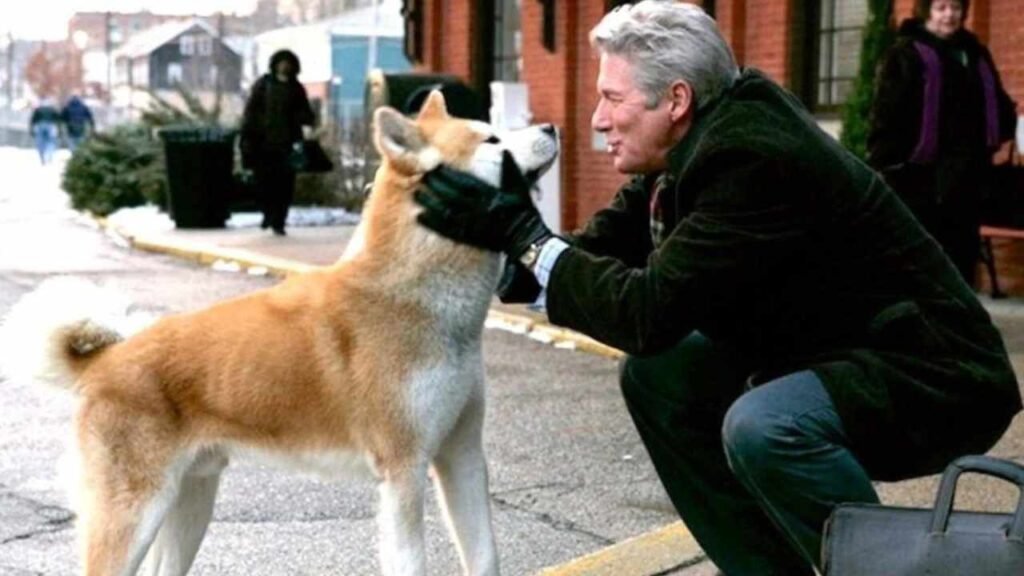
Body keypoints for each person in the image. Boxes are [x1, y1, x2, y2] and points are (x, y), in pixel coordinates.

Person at [413, 2, 1022, 574]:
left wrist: (521, 233)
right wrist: (496, 240)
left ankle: (879, 569)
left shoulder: (753, 158)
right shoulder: (692, 145)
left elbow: (645, 311)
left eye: (610, 97)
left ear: (675, 99)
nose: (597, 119)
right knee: (658, 375)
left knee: (764, 426)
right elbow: (592, 252)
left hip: (932, 373)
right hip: (843, 349)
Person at [867, 0, 1017, 285]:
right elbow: (886, 116)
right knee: (923, 263)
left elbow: (998, 106)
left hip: (968, 179)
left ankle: (959, 323)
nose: (950, 15)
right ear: (927, 12)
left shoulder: (974, 54)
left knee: (961, 263)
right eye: (941, 7)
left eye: (956, 8)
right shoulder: (907, 53)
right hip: (921, 180)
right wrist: (890, 166)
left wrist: (1003, 127)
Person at [239, 49, 316, 236]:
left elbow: (308, 115)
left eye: (288, 63)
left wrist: (299, 119)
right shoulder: (263, 85)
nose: (284, 66)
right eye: (281, 62)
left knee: (285, 186)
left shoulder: (296, 89)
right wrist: (248, 136)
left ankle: (279, 221)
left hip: (287, 146)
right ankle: (267, 213)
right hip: (263, 145)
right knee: (263, 183)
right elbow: (250, 112)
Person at [29, 98, 61, 165]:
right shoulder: (52, 109)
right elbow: (58, 119)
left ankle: (42, 157)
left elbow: (33, 120)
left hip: (40, 126)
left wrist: (31, 130)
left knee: (40, 143)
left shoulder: (38, 109)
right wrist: (59, 129)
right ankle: (49, 155)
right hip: (51, 126)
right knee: (51, 141)